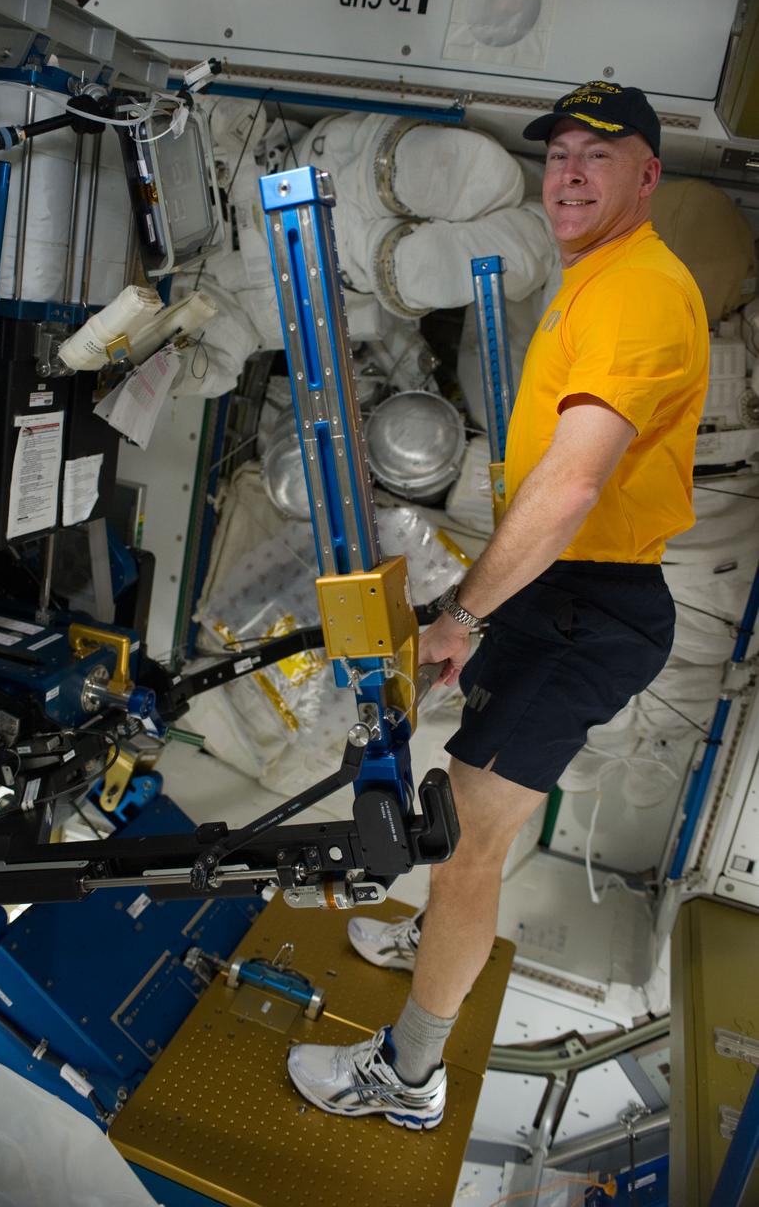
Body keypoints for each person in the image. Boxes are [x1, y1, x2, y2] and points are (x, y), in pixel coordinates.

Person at [287, 82, 710, 1129]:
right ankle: (435, 930)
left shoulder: (638, 291)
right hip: (563, 593)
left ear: (647, 175)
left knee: (472, 834)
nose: (567, 174)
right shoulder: (598, 274)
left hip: (590, 609)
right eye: (559, 153)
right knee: (466, 797)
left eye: (596, 158)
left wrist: (464, 615)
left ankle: (409, 1077)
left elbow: (571, 485)